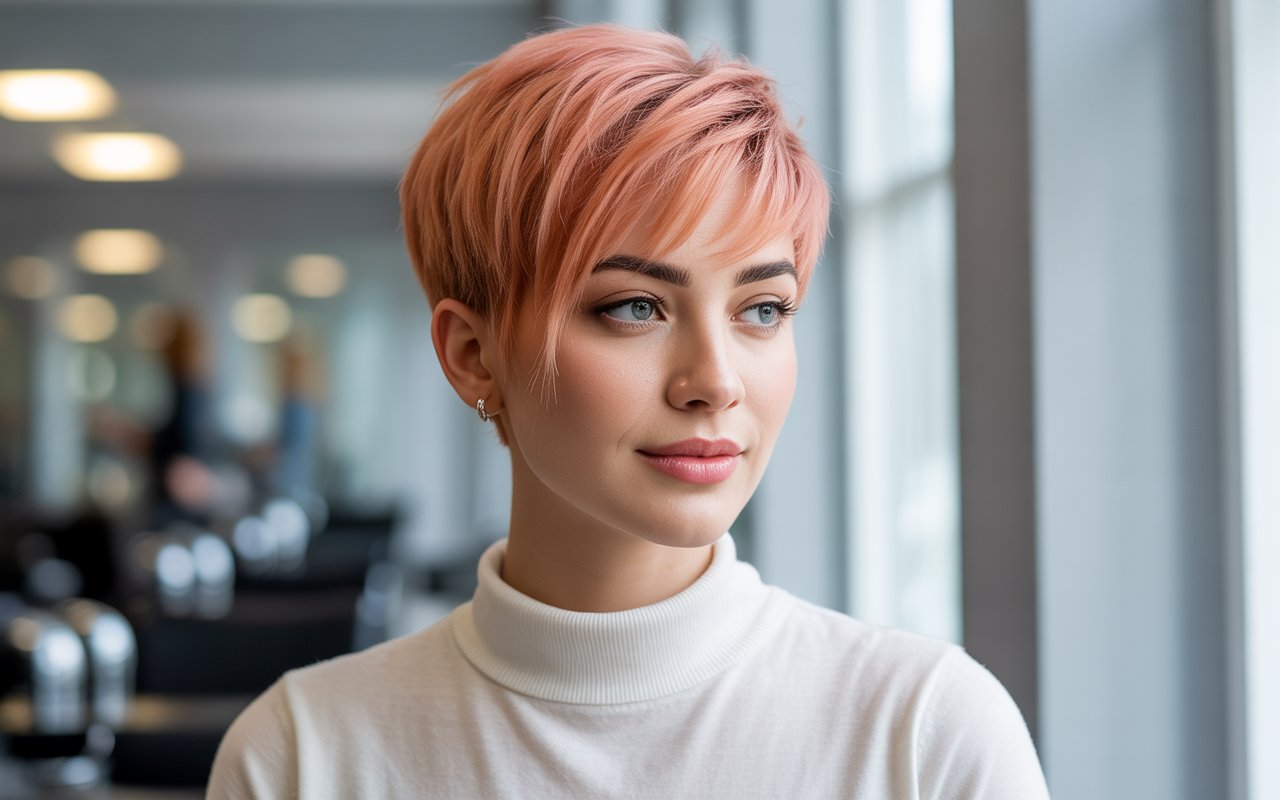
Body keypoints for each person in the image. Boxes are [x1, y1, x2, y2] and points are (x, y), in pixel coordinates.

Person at [208, 24, 1050, 799]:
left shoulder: (922, 735)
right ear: (472, 354)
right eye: (636, 307)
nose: (714, 382)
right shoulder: (302, 757)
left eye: (762, 310)